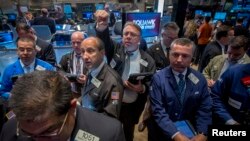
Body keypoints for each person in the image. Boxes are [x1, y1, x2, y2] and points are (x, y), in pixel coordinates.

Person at [0, 71, 126, 141]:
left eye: (49, 131)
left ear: (71, 107)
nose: (38, 140)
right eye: (26, 132)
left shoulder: (109, 134)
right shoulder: (10, 130)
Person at [94, 10, 156, 141]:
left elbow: (152, 83)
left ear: (139, 39)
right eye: (125, 34)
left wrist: (142, 88)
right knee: (110, 130)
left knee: (128, 133)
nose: (128, 36)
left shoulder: (148, 60)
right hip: (113, 102)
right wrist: (102, 26)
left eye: (132, 34)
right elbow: (104, 39)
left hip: (133, 105)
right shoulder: (115, 50)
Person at [149, 38, 212, 141]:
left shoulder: (200, 79)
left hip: (191, 132)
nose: (179, 60)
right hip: (164, 133)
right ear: (169, 54)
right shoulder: (158, 78)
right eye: (175, 54)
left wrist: (203, 132)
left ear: (192, 58)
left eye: (185, 56)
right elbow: (158, 111)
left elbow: (204, 108)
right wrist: (175, 134)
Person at [79, 36, 124, 119]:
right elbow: (87, 93)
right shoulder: (91, 70)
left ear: (102, 53)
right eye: (82, 51)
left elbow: (111, 117)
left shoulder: (114, 82)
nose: (85, 56)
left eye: (90, 51)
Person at [0, 34, 54, 101]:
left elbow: (54, 91)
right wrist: (12, 96)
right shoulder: (9, 70)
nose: (25, 53)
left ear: (35, 51)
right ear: (17, 51)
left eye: (29, 50)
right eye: (22, 50)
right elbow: (3, 92)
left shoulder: (48, 69)